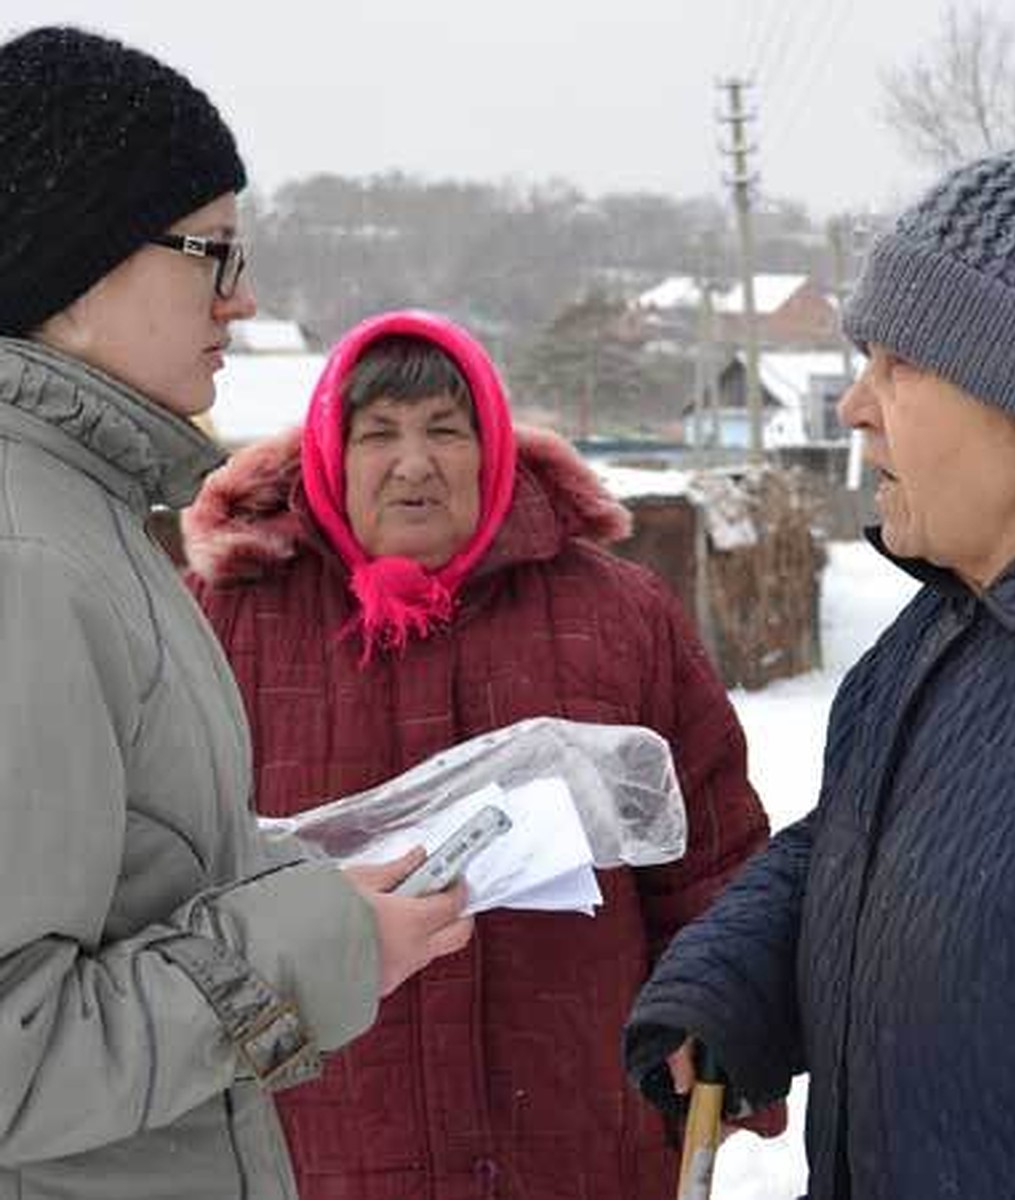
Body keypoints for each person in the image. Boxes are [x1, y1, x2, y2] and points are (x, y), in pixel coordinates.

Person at [623, 145, 1015, 1200]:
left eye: (898, 365)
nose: (852, 406)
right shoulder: (950, 618)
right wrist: (736, 981)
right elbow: (864, 836)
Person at [0, 27, 472, 1200]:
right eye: (211, 251)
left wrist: (308, 875)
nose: (244, 295)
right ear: (74, 265)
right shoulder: (25, 561)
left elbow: (129, 879)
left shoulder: (93, 523)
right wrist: (322, 942)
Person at [182, 307, 774, 1199]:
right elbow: (165, 878)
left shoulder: (618, 617)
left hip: (580, 1137)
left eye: (445, 432)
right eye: (377, 433)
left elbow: (714, 857)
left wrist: (728, 1016)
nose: (413, 463)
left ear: (492, 447)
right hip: (318, 1145)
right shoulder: (228, 624)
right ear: (329, 459)